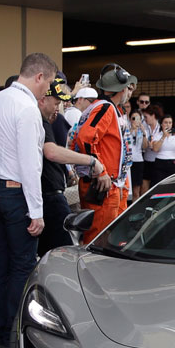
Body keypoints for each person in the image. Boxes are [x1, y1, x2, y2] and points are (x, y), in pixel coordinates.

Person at [0, 53, 57, 348]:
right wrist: (36, 211)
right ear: (39, 77)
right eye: (48, 84)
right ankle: (16, 338)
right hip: (15, 193)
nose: (47, 91)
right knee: (21, 266)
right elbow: (30, 164)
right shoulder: (27, 108)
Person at [69, 62, 134, 242]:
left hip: (106, 183)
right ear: (120, 89)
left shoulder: (102, 107)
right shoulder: (105, 108)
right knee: (100, 238)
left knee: (106, 236)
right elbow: (85, 138)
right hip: (103, 184)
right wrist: (101, 171)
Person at [37, 77, 103, 255]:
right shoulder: (41, 120)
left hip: (46, 194)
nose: (58, 108)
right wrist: (91, 161)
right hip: (48, 195)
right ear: (43, 99)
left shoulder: (47, 120)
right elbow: (52, 152)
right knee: (65, 253)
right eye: (56, 102)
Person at [152, 114, 175, 183]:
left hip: (172, 161)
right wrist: (163, 136)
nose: (168, 125)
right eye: (165, 122)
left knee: (172, 184)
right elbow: (155, 149)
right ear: (161, 124)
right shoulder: (157, 135)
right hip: (160, 161)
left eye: (170, 122)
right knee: (160, 184)